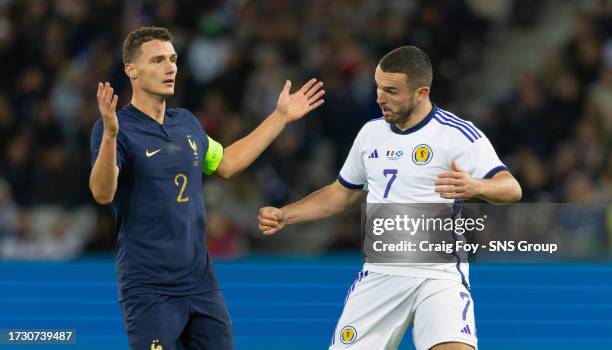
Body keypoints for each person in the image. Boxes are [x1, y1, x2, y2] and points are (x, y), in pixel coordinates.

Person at [258, 46, 522, 350]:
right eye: (378, 87)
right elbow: (340, 194)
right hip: (381, 273)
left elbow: (511, 188)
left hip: (439, 275)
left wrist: (477, 187)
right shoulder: (371, 135)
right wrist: (286, 214)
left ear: (421, 93)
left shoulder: (457, 135)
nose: (380, 98)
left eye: (391, 91)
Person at [89, 26, 324, 350]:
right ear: (131, 70)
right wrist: (111, 135)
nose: (170, 67)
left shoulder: (185, 123)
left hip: (201, 284)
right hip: (149, 288)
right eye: (157, 60)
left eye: (172, 59)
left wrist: (280, 117)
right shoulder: (116, 128)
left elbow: (226, 163)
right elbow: (103, 193)